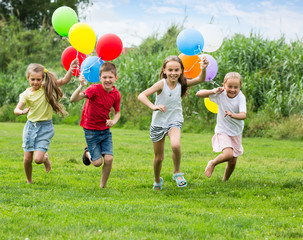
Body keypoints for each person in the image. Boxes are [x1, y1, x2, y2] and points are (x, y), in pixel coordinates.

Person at [138, 55, 209, 190]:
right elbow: (141, 95)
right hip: (158, 123)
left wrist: (203, 68)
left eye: (177, 70)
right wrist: (153, 107)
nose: (173, 73)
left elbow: (200, 79)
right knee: (159, 158)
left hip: (174, 121)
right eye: (170, 70)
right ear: (164, 70)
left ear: (181, 71)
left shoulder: (182, 84)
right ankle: (157, 180)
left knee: (175, 145)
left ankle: (177, 172)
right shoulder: (161, 84)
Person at [14, 59, 79, 184]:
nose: (36, 82)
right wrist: (20, 112)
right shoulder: (25, 94)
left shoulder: (47, 88)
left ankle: (45, 158)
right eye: (32, 79)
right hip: (30, 127)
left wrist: (71, 69)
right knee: (28, 158)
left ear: (43, 79)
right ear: (28, 78)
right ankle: (29, 180)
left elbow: (64, 80)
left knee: (37, 159)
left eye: (38, 79)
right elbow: (17, 108)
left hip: (45, 127)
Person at [70, 62, 121, 188]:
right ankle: (87, 152)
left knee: (109, 159)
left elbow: (117, 112)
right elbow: (73, 99)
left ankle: (102, 186)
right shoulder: (93, 89)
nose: (107, 80)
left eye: (110, 77)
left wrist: (113, 121)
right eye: (104, 77)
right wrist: (80, 86)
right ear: (100, 78)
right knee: (97, 163)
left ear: (116, 78)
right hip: (91, 130)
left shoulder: (116, 94)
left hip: (105, 131)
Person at [196, 72, 246, 181]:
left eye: (236, 87)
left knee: (232, 161)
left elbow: (243, 115)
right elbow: (198, 94)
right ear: (224, 85)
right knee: (228, 154)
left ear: (240, 86)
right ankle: (212, 163)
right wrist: (213, 91)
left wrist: (233, 115)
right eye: (230, 86)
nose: (232, 89)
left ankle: (224, 181)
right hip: (222, 130)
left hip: (236, 132)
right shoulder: (220, 94)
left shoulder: (241, 97)